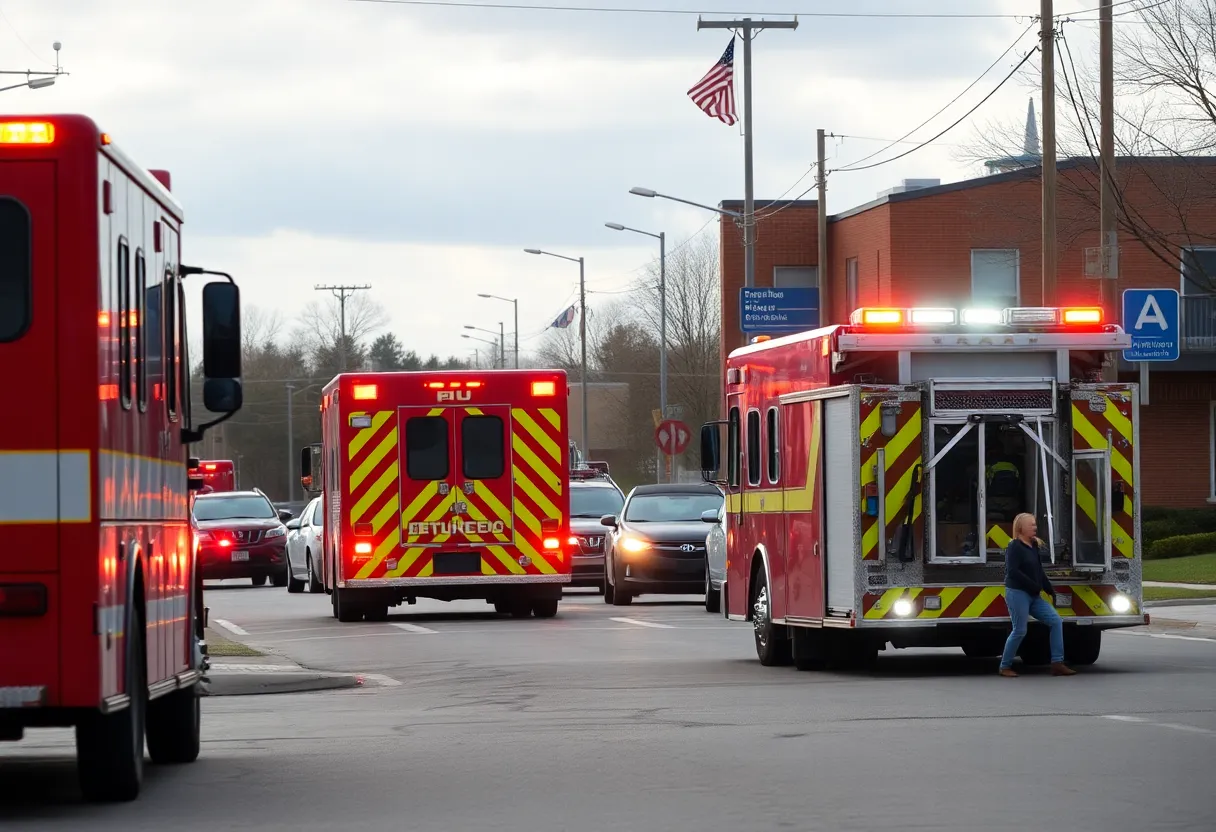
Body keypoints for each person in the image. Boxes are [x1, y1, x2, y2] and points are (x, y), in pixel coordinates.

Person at [998, 512, 1076, 677]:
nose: (1035, 527)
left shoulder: (1033, 546)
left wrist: (1049, 589)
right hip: (1017, 593)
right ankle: (1005, 666)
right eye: (1031, 524)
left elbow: (1039, 571)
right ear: (1020, 528)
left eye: (1035, 524)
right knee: (1020, 630)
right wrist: (1033, 586)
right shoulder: (1014, 547)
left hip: (1034, 596)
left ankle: (1057, 663)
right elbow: (1013, 572)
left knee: (1055, 621)